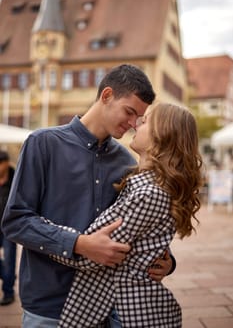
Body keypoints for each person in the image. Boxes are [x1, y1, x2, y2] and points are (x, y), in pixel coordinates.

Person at [2, 64, 175, 327]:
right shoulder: (42, 143)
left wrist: (167, 262)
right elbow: (15, 221)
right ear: (107, 95)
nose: (132, 125)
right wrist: (79, 244)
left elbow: (138, 226)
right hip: (48, 306)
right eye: (129, 112)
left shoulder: (127, 162)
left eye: (138, 118)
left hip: (107, 307)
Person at [44, 102, 203, 328]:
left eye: (145, 121)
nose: (136, 125)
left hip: (129, 314)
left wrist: (43, 234)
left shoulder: (147, 194)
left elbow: (90, 255)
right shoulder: (146, 186)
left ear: (163, 135)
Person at [0, 150, 16, 305]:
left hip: (9, 228)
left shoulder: (15, 178)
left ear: (5, 163)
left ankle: (9, 293)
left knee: (10, 261)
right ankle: (7, 276)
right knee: (6, 267)